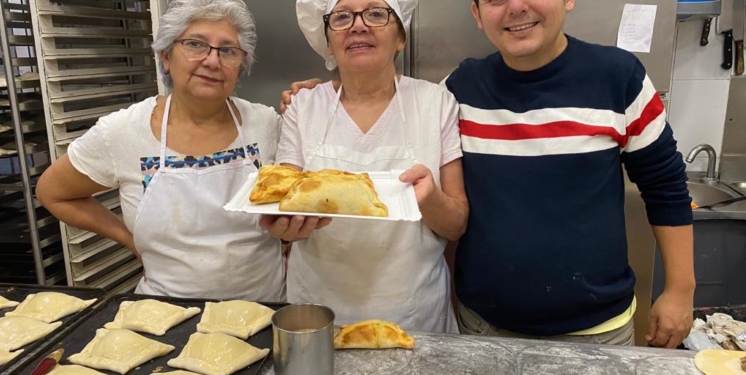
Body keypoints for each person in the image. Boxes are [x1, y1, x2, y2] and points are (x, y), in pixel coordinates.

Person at [280, 0, 695, 348]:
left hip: (595, 331)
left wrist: (680, 290)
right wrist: (313, 96)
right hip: (481, 325)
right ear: (478, 14)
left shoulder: (618, 78)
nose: (516, 8)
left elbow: (666, 187)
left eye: (376, 15)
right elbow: (369, 91)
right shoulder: (462, 88)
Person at [35, 0, 285, 301]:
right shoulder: (123, 131)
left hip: (265, 309)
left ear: (240, 65)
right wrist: (129, 240)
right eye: (195, 44)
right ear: (166, 56)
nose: (212, 61)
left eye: (228, 50)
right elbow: (53, 192)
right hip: (168, 314)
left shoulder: (266, 123)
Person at [261, 0, 469, 333]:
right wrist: (283, 227)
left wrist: (430, 199)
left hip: (414, 315)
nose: (358, 25)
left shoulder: (435, 103)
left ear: (400, 38)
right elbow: (282, 200)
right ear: (329, 42)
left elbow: (456, 225)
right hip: (318, 314)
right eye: (342, 17)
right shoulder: (303, 106)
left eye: (376, 13)